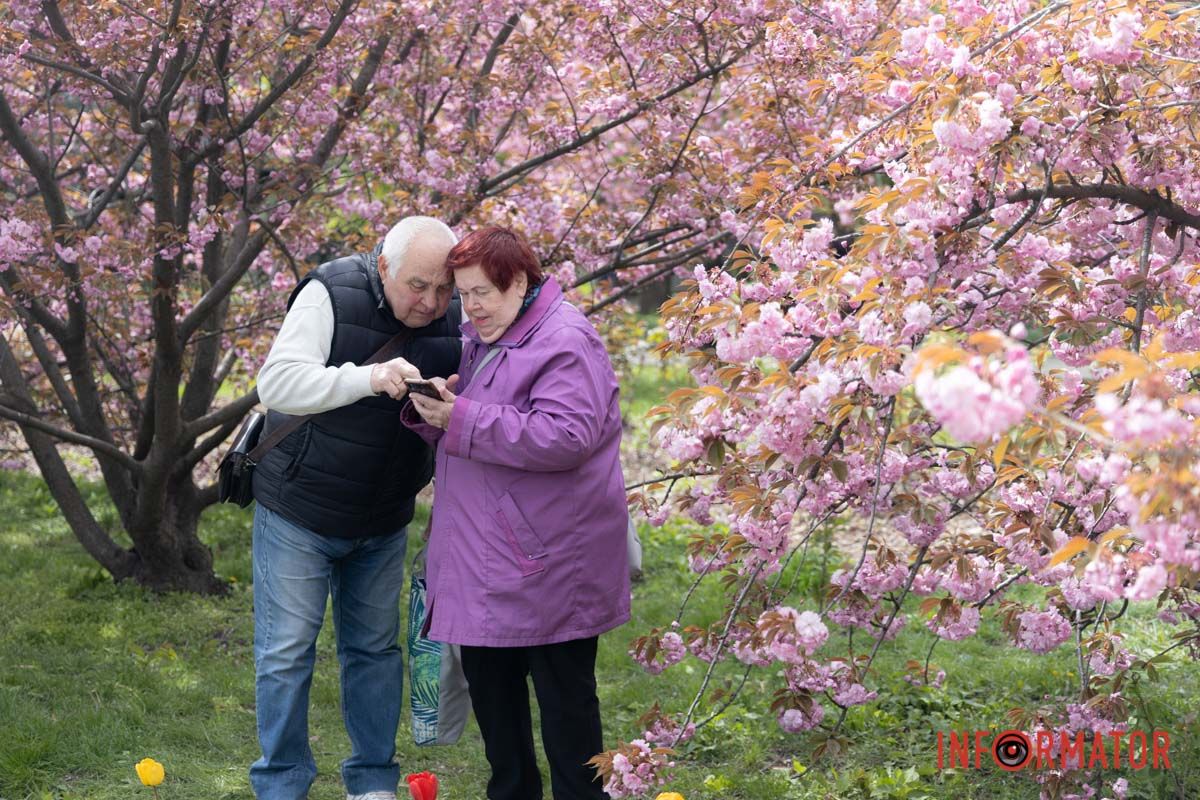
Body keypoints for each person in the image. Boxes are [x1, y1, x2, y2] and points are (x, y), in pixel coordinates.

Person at [404, 226, 630, 800]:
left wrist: (461, 418)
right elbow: (484, 427)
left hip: (550, 564)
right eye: (464, 293)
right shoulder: (486, 336)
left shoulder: (564, 339)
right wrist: (437, 411)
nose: (471, 306)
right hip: (485, 562)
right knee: (497, 715)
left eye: (483, 292)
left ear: (521, 282)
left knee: (567, 716)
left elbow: (566, 436)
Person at [249, 216, 461, 800]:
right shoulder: (330, 292)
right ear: (385, 266)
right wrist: (370, 378)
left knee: (373, 650)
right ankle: (282, 782)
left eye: (444, 289)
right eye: (418, 285)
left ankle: (372, 782)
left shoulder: (458, 311)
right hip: (301, 508)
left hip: (384, 516)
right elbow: (279, 385)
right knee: (287, 652)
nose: (432, 302)